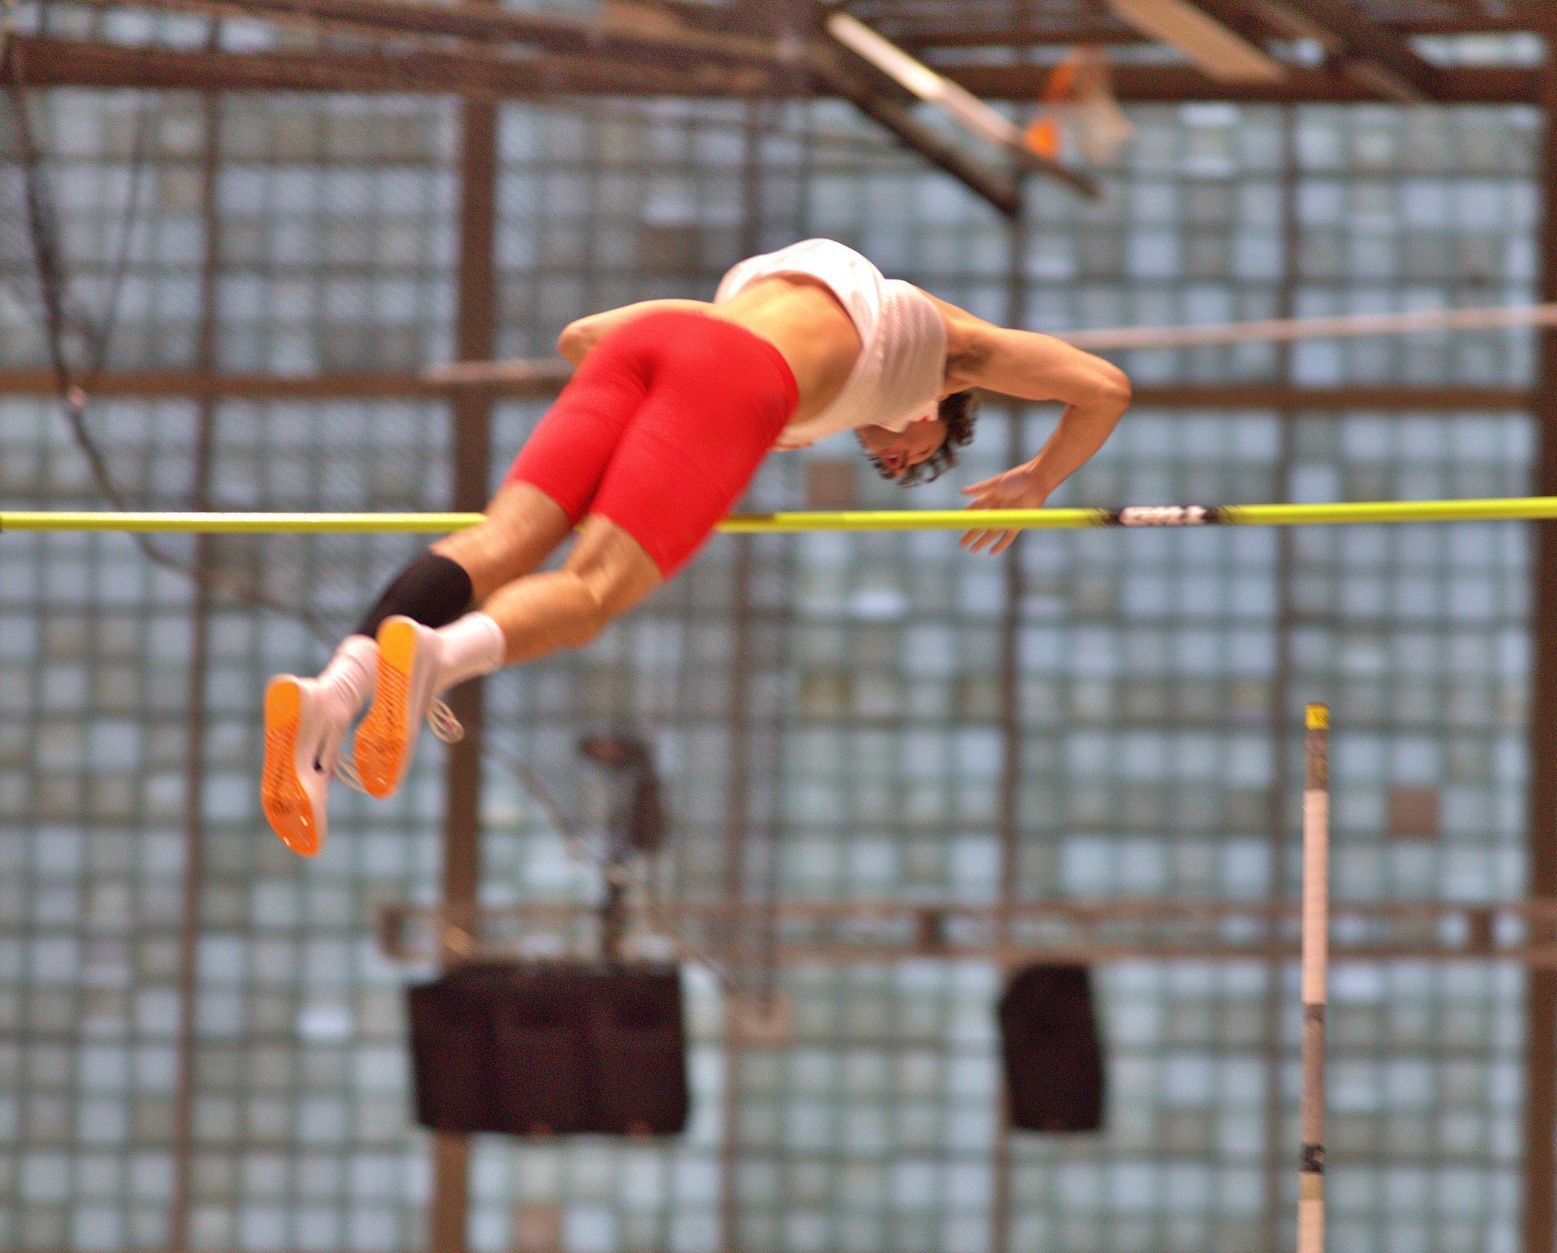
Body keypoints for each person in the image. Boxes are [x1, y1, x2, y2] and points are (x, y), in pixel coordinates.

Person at [260, 238, 1132, 856]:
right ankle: (438, 664)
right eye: (914, 449)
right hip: (729, 378)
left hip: (658, 343)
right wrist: (1039, 479)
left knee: (504, 537)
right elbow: (1102, 386)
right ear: (946, 404)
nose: (895, 454)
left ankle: (337, 689)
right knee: (593, 590)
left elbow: (581, 339)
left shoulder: (803, 307)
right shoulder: (952, 351)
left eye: (888, 461)